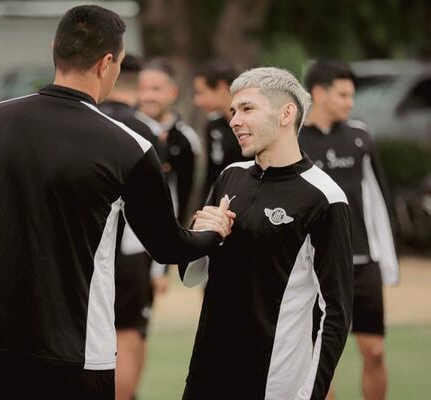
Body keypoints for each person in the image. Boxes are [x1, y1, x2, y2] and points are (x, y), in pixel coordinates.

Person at [0, 5, 234, 400]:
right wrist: (211, 233)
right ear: (107, 62)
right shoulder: (128, 146)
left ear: (54, 48)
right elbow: (168, 247)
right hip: (77, 357)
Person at [179, 67, 353, 399]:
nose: (234, 121)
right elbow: (190, 276)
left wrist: (311, 394)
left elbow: (336, 312)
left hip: (273, 383)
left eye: (247, 109)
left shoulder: (325, 198)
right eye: (233, 111)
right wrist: (199, 233)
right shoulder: (230, 176)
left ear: (287, 113)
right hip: (205, 375)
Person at [300, 59, 399, 400]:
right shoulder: (294, 140)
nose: (349, 102)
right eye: (343, 94)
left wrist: (387, 261)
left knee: (375, 352)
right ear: (318, 93)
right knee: (320, 361)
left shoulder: (360, 137)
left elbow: (379, 201)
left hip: (362, 266)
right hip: (316, 271)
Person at [98, 53, 162, 400]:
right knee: (128, 334)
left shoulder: (86, 119)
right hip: (130, 252)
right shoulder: (146, 130)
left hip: (85, 249)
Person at [138, 57, 202, 225]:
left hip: (166, 231)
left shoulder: (185, 138)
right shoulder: (123, 128)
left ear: (173, 92)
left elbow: (187, 193)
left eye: (155, 89)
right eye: (142, 89)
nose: (147, 96)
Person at [192, 58, 251, 202]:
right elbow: (212, 174)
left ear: (221, 86)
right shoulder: (214, 125)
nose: (197, 101)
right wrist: (202, 208)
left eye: (201, 93)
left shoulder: (253, 124)